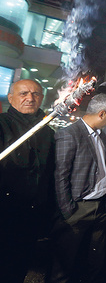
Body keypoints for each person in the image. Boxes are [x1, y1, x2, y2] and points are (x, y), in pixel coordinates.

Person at [50, 93, 106, 283]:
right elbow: (60, 175)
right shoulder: (69, 134)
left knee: (95, 261)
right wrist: (68, 211)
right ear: (102, 113)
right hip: (78, 208)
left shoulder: (103, 137)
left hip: (101, 207)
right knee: (64, 262)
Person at [0, 79, 55, 283]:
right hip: (4, 212)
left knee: (19, 267)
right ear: (11, 97)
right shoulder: (1, 124)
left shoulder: (48, 132)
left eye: (36, 94)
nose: (30, 98)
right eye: (23, 93)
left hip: (31, 216)